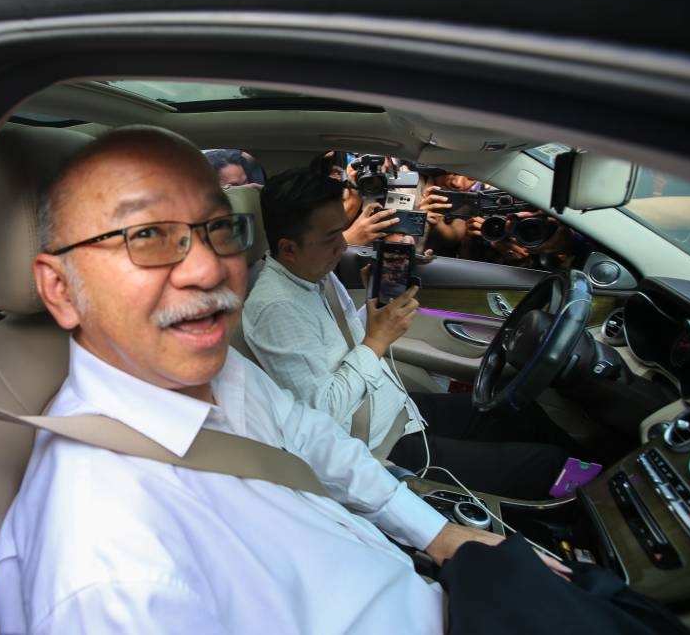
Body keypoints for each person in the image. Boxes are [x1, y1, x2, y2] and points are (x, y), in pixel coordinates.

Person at [0, 126, 568, 633]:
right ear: (60, 289)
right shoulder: (106, 567)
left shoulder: (211, 369)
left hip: (425, 583)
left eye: (219, 229)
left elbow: (313, 434)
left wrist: (435, 534)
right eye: (144, 237)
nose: (207, 268)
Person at [242, 167, 573, 500]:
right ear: (289, 249)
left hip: (399, 410)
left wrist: (375, 306)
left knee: (524, 414)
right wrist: (377, 341)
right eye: (331, 238)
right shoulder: (276, 308)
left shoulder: (313, 273)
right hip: (378, 445)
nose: (343, 245)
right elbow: (323, 411)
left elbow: (342, 339)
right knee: (546, 464)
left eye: (341, 231)